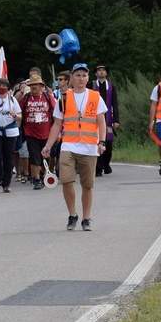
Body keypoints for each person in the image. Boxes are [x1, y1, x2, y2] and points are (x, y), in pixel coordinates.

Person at [42, 63, 108, 232]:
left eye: (84, 76)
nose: (81, 78)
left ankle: (86, 218)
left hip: (89, 146)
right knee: (66, 180)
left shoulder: (95, 97)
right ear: (71, 78)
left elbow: (101, 121)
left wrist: (102, 142)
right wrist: (48, 145)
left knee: (87, 185)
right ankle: (72, 214)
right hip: (69, 145)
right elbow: (57, 124)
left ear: (88, 78)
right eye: (77, 75)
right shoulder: (64, 97)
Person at [20, 74, 56, 190]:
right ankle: (36, 180)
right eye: (32, 85)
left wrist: (58, 131)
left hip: (47, 132)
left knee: (46, 157)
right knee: (34, 157)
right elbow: (20, 114)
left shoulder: (48, 97)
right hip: (30, 132)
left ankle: (43, 174)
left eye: (36, 84)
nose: (34, 87)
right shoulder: (25, 98)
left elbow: (55, 114)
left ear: (41, 86)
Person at [87, 65, 120, 176]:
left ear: (106, 73)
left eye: (103, 70)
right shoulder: (91, 85)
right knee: (97, 142)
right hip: (93, 118)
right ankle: (98, 168)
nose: (101, 72)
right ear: (96, 74)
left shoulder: (111, 87)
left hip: (108, 119)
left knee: (108, 144)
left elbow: (114, 104)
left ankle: (106, 164)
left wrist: (116, 119)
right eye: (99, 70)